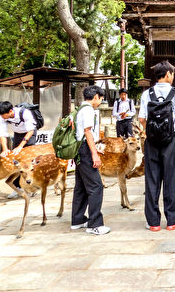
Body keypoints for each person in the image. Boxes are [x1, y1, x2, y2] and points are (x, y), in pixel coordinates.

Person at [138, 61, 175, 232]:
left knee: (151, 180)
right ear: (167, 74)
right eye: (172, 74)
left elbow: (142, 119)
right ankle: (173, 220)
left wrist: (150, 132)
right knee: (170, 179)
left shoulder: (147, 94)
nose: (173, 77)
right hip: (171, 139)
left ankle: (153, 222)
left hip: (151, 141)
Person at [70, 85, 111, 235]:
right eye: (100, 98)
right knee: (96, 186)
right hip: (85, 150)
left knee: (81, 186)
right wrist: (94, 153)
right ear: (95, 97)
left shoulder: (79, 110)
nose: (100, 101)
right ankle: (95, 224)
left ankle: (78, 219)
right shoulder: (88, 110)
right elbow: (87, 132)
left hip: (79, 150)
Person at [0, 101, 38, 198]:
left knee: (28, 161)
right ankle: (18, 187)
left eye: (3, 114)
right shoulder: (2, 117)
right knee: (16, 161)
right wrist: (5, 149)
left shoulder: (25, 113)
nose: (1, 117)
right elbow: (2, 133)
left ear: (10, 111)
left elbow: (31, 131)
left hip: (29, 133)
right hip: (18, 134)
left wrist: (20, 147)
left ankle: (32, 187)